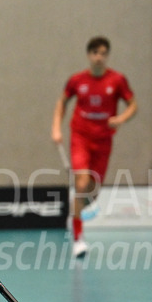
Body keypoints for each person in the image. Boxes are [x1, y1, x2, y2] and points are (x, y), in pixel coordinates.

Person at [51, 35, 137, 258]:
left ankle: (75, 214)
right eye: (95, 53)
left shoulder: (117, 80)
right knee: (81, 183)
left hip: (104, 140)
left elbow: (133, 105)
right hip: (80, 137)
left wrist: (122, 118)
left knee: (93, 193)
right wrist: (56, 128)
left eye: (103, 53)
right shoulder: (77, 80)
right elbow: (62, 102)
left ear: (107, 56)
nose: (99, 57)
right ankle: (78, 237)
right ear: (89, 55)